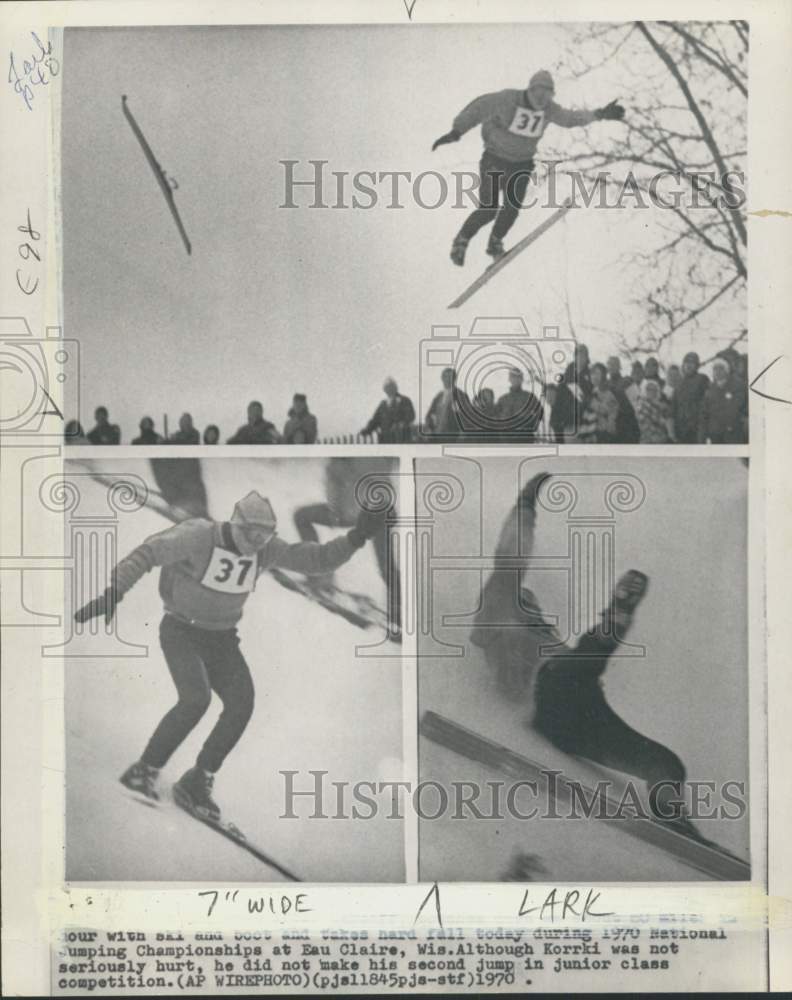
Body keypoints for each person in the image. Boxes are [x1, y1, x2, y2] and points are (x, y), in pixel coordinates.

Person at [73, 490, 385, 819]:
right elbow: (147, 553)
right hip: (181, 631)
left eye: (264, 537)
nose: (255, 543)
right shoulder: (199, 535)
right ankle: (144, 769)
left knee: (241, 703)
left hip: (222, 638)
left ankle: (198, 779)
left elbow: (314, 559)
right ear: (235, 525)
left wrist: (357, 537)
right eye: (251, 534)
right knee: (195, 699)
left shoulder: (263, 550)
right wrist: (113, 593)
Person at [470, 473, 705, 839]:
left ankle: (672, 816)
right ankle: (617, 614)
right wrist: (525, 504)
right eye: (524, 602)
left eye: (533, 606)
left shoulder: (546, 635)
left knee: (666, 763)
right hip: (549, 693)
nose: (531, 607)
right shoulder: (496, 610)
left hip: (579, 716)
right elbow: (510, 557)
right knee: (576, 664)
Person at [431, 70, 624, 264]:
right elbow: (478, 108)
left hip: (521, 164)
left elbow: (570, 119)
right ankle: (462, 240)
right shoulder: (508, 99)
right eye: (538, 95)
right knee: (489, 209)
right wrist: (456, 131)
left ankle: (495, 242)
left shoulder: (549, 110)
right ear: (530, 90)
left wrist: (600, 114)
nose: (541, 101)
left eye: (547, 97)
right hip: (494, 159)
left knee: (512, 207)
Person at [293, 458, 400, 638]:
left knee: (302, 517)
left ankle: (319, 577)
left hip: (360, 513)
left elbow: (336, 488)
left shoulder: (341, 461)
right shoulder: (379, 458)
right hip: (380, 511)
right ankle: (400, 614)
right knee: (387, 566)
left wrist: (336, 513)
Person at [698, 358, 748, 444]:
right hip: (715, 435)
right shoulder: (709, 391)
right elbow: (704, 415)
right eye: (715, 369)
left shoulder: (738, 386)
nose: (717, 371)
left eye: (721, 368)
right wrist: (702, 436)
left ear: (727, 371)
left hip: (734, 434)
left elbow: (743, 408)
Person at [423, 367, 472, 443]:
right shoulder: (439, 396)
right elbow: (429, 415)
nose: (447, 379)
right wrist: (429, 428)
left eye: (450, 377)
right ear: (442, 379)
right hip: (436, 435)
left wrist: (463, 433)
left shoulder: (461, 395)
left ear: (454, 379)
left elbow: (467, 416)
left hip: (453, 436)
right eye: (445, 377)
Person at [361, 377, 416, 443]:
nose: (389, 390)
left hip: (401, 438)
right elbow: (375, 419)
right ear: (385, 390)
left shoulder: (405, 400)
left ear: (395, 388)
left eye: (391, 387)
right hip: (386, 439)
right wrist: (367, 430)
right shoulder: (383, 404)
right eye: (387, 388)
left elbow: (411, 416)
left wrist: (401, 424)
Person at [495, 368, 543, 442]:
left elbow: (540, 411)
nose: (516, 379)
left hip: (525, 436)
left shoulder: (529, 397)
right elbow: (496, 416)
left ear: (522, 379)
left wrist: (532, 425)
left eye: (518, 377)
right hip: (506, 437)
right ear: (509, 379)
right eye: (513, 377)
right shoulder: (503, 399)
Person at [671, 352, 710, 444]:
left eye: (692, 363)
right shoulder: (679, 384)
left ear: (697, 366)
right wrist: (672, 430)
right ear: (683, 365)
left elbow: (707, 404)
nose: (689, 365)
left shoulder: (702, 379)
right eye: (686, 362)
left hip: (697, 429)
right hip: (680, 430)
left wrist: (703, 428)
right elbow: (673, 408)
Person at [577, 362, 619, 443]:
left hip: (605, 433)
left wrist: (590, 401)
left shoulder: (609, 391)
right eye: (592, 373)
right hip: (593, 432)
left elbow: (607, 410)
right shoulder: (594, 390)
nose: (594, 376)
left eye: (597, 373)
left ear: (603, 376)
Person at [636, 378, 673, 444]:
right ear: (644, 390)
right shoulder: (641, 403)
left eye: (654, 390)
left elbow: (669, 416)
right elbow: (646, 422)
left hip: (661, 439)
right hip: (648, 440)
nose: (652, 391)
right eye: (649, 389)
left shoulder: (658, 403)